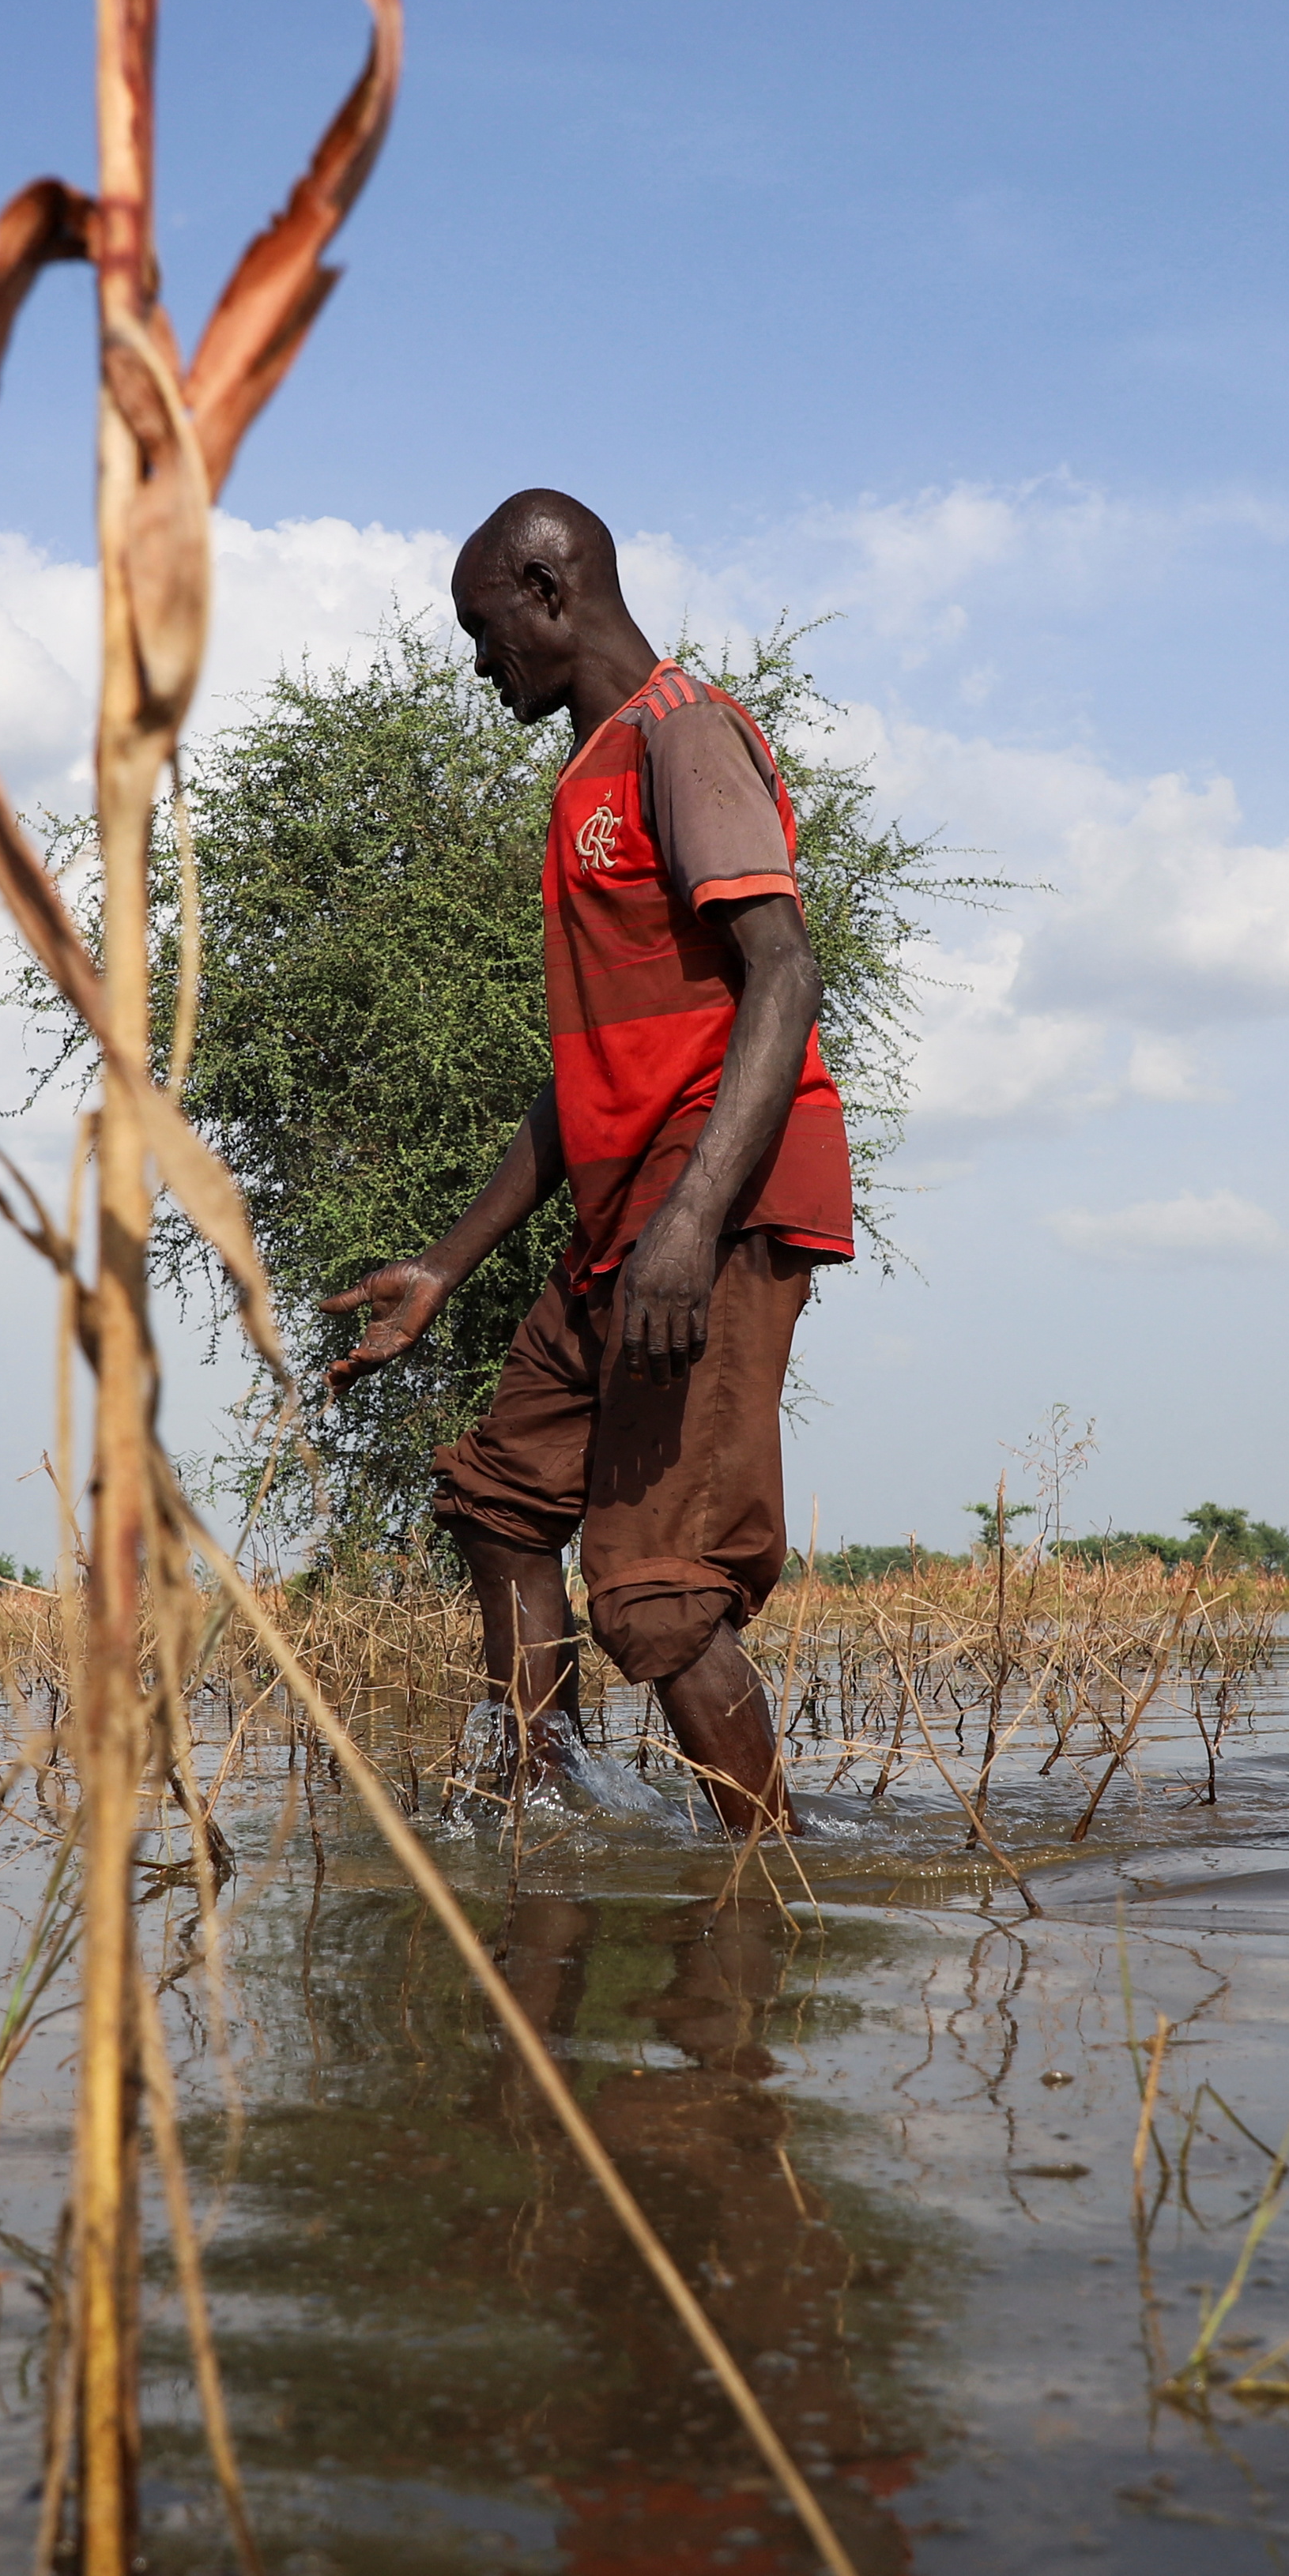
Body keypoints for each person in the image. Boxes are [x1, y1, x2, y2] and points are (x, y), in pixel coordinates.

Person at [321, 488, 850, 1833]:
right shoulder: (587, 774)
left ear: (548, 595)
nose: (478, 661)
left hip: (707, 1216)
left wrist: (687, 1224)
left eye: (483, 629)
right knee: (500, 1497)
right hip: (624, 1221)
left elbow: (783, 977)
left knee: (658, 1589)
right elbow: (589, 1080)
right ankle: (544, 1799)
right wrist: (447, 1263)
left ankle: (771, 1880)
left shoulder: (685, 737)